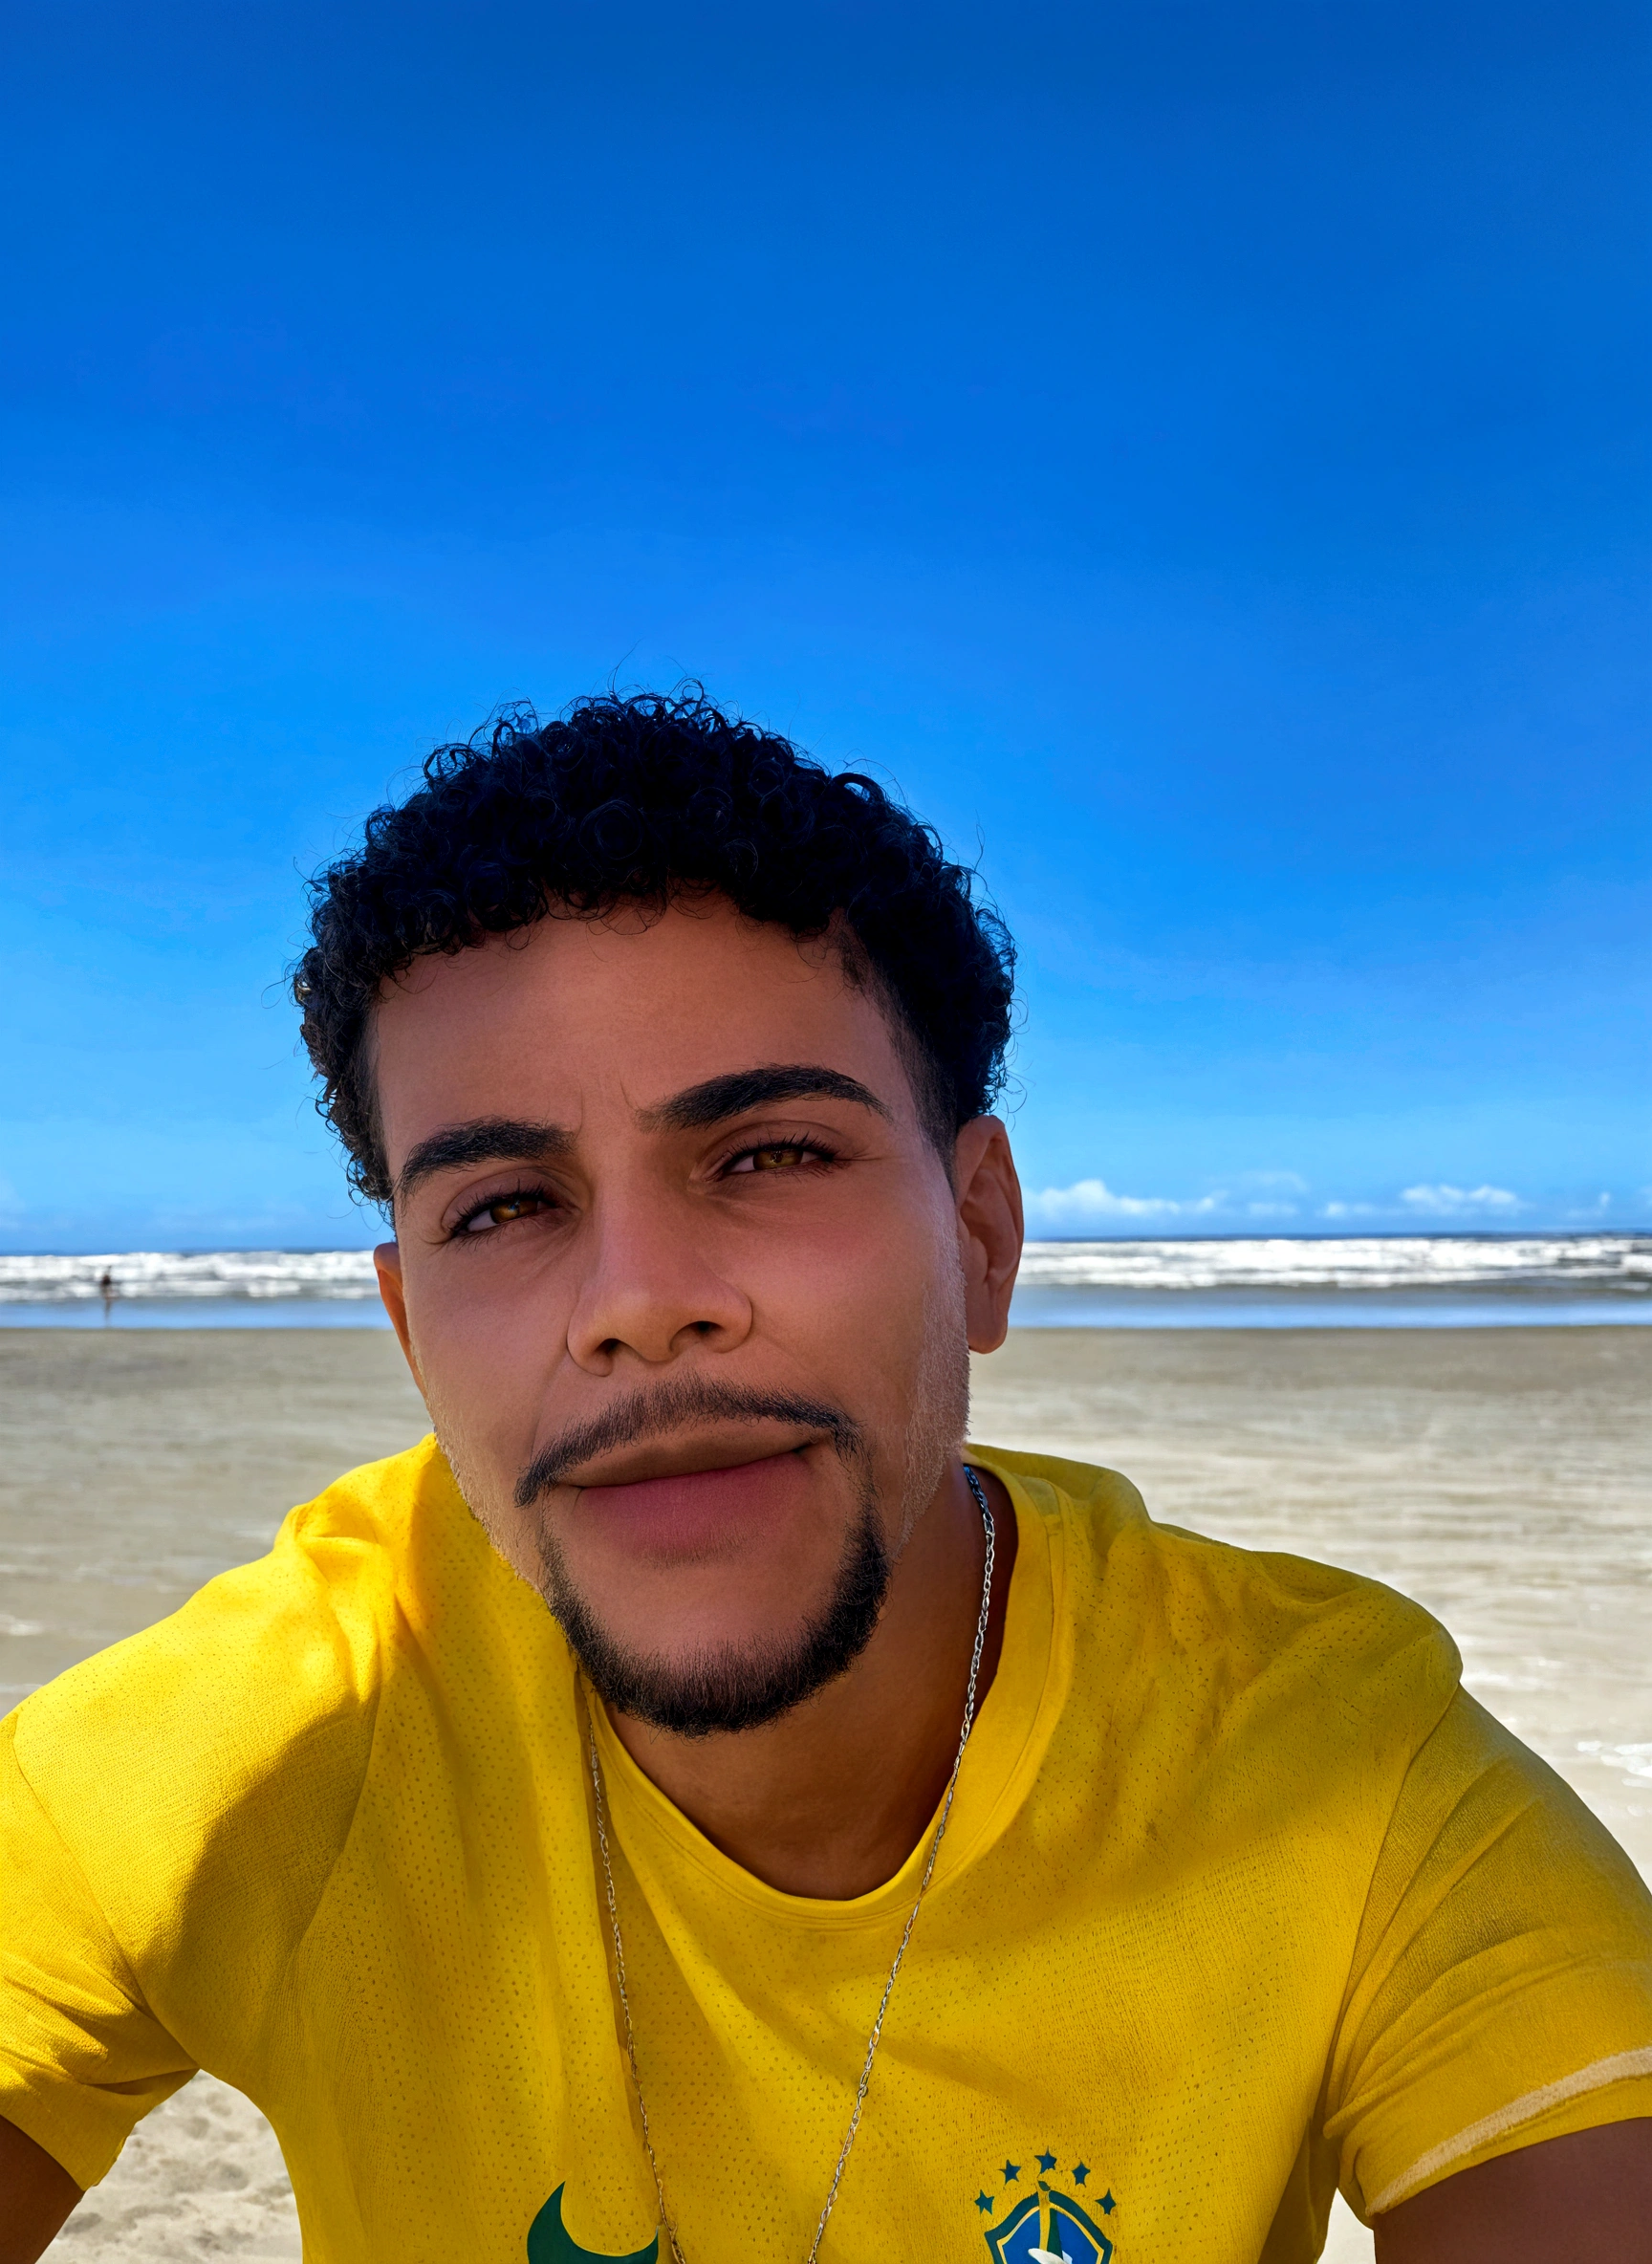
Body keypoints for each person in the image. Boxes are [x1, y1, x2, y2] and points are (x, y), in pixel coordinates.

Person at [2, 691, 1648, 2264]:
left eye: (772, 1153)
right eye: (503, 1204)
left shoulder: (1334, 1774)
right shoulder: (269, 1749)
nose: (639, 1302)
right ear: (414, 1333)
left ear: (983, 1236)